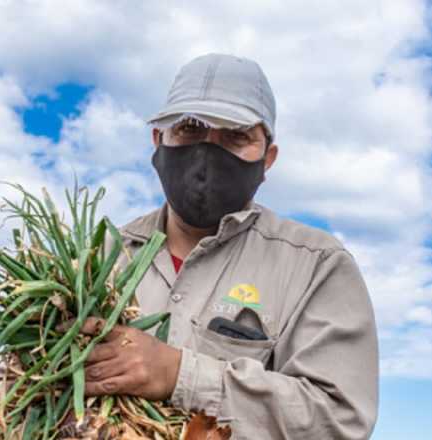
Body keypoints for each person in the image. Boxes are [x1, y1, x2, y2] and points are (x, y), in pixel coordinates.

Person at [79, 53, 379, 439]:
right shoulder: (97, 258)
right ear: (158, 140)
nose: (206, 153)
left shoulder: (317, 266)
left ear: (267, 158)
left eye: (236, 136)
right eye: (189, 128)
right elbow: (19, 381)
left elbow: (340, 420)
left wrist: (177, 374)